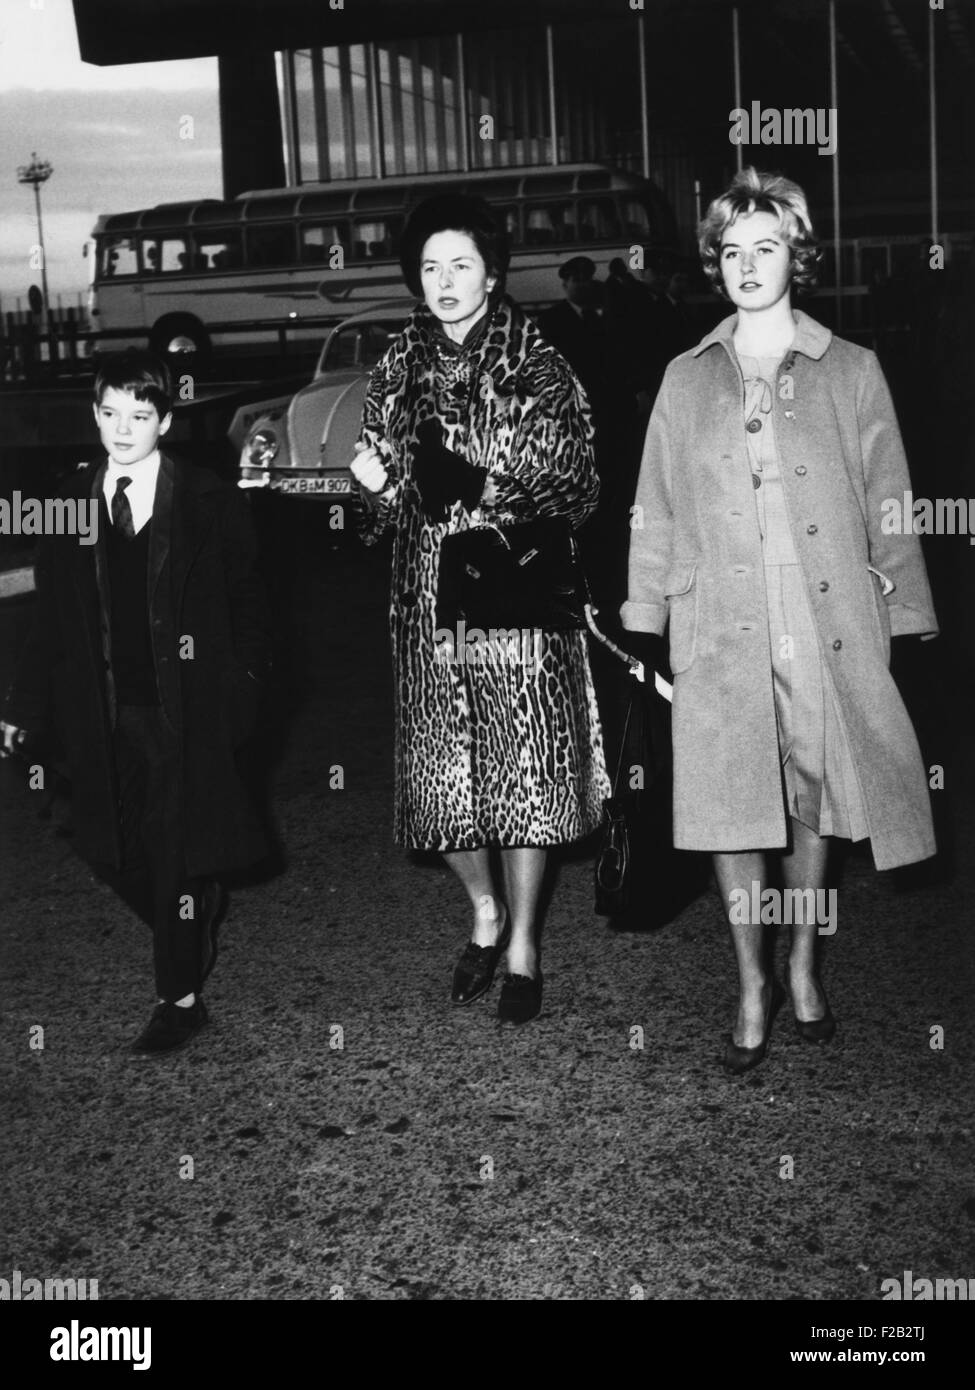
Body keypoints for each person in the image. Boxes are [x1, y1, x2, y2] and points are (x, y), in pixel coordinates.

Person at [622, 168, 938, 1072]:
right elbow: (656, 502)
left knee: (815, 797)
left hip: (823, 605)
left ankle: (802, 960)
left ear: (798, 254)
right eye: (730, 251)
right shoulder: (685, 380)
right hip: (717, 610)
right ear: (714, 267)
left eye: (766, 247)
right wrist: (646, 612)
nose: (747, 265)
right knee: (730, 801)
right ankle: (750, 979)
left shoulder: (850, 369)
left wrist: (903, 605)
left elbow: (889, 500)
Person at [350, 194, 610, 1024]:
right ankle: (484, 915)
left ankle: (526, 942)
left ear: (493, 274)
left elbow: (580, 485)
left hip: (512, 586)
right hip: (429, 592)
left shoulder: (538, 360)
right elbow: (379, 516)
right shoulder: (396, 365)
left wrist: (486, 484)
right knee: (443, 778)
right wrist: (379, 487)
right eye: (429, 267)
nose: (444, 281)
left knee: (522, 772)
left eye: (460, 264)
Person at [1, 351, 271, 1054]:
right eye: (110, 414)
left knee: (173, 851)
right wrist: (21, 707)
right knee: (102, 844)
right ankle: (190, 909)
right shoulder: (66, 501)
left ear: (166, 420)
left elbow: (251, 606)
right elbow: (47, 620)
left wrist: (241, 691)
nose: (123, 429)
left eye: (140, 416)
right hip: (98, 712)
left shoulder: (208, 498)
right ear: (94, 415)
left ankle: (177, 998)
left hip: (182, 714)